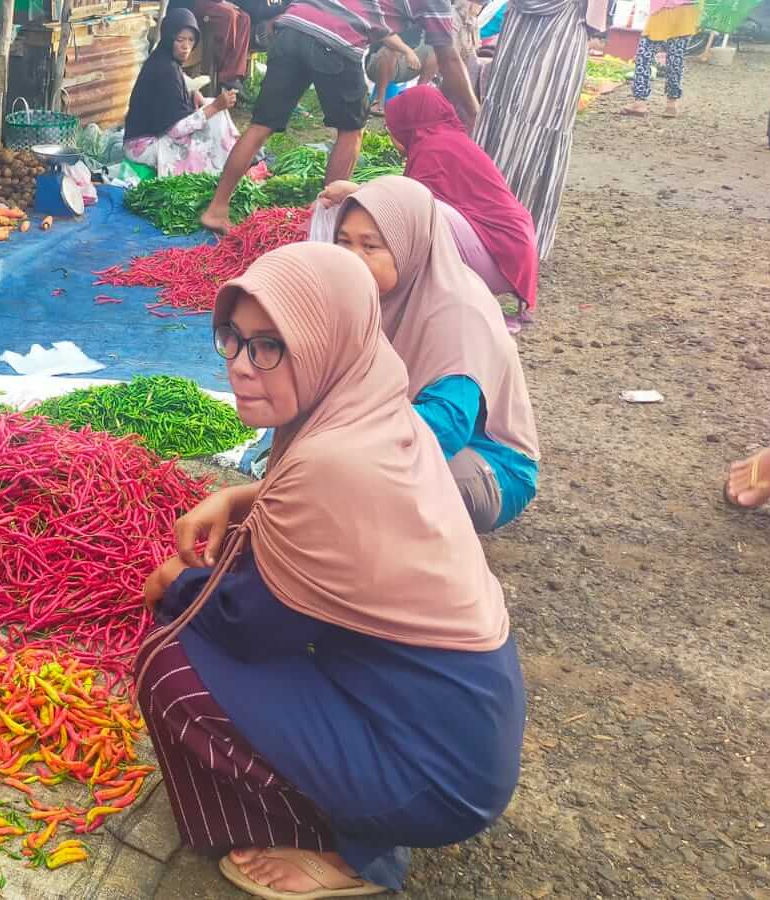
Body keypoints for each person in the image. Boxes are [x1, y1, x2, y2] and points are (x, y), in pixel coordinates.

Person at [136, 242, 525, 898]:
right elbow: (329, 512)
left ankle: (347, 853)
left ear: (324, 341)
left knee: (169, 659)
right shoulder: (373, 406)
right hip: (463, 726)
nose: (239, 366)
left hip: (439, 773)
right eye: (231, 338)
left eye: (269, 346)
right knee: (224, 594)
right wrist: (236, 497)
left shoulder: (328, 464)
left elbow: (251, 631)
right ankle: (355, 801)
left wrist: (177, 585)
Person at [329, 175, 539, 531]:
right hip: (401, 436)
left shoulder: (457, 310)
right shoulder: (377, 293)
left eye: (371, 246)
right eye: (344, 242)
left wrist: (347, 438)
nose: (353, 258)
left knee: (358, 489)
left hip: (487, 461)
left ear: (410, 245)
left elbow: (449, 424)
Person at [195, 0, 480, 234]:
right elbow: (449, 57)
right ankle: (324, 221)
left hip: (293, 26)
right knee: (351, 131)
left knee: (260, 126)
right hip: (335, 43)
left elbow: (371, 18)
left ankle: (216, 209)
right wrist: (474, 109)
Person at [316, 85, 540, 322]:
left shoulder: (436, 148)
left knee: (416, 218)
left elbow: (410, 206)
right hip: (507, 252)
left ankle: (408, 303)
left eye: (392, 126)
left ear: (409, 122)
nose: (391, 133)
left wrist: (356, 191)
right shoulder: (446, 140)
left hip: (499, 257)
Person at [472, 0, 608, 259]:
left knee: (513, 125)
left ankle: (490, 225)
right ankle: (518, 232)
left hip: (534, 37)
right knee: (532, 123)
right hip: (557, 38)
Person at [125, 8, 242, 177]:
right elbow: (176, 130)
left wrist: (193, 93)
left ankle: (232, 157)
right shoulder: (164, 70)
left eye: (191, 40)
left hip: (153, 136)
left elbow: (178, 89)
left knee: (212, 109)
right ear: (169, 38)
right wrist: (216, 106)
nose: (186, 46)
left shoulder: (165, 60)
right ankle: (227, 166)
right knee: (211, 121)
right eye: (180, 40)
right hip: (143, 146)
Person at [621, 0, 700, 116]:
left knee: (644, 56)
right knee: (675, 58)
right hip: (685, 10)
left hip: (663, 10)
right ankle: (671, 104)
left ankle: (640, 102)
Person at [171, 0, 256, 85]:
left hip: (216, 3)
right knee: (229, 15)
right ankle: (222, 72)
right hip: (191, 3)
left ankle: (232, 76)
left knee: (245, 18)